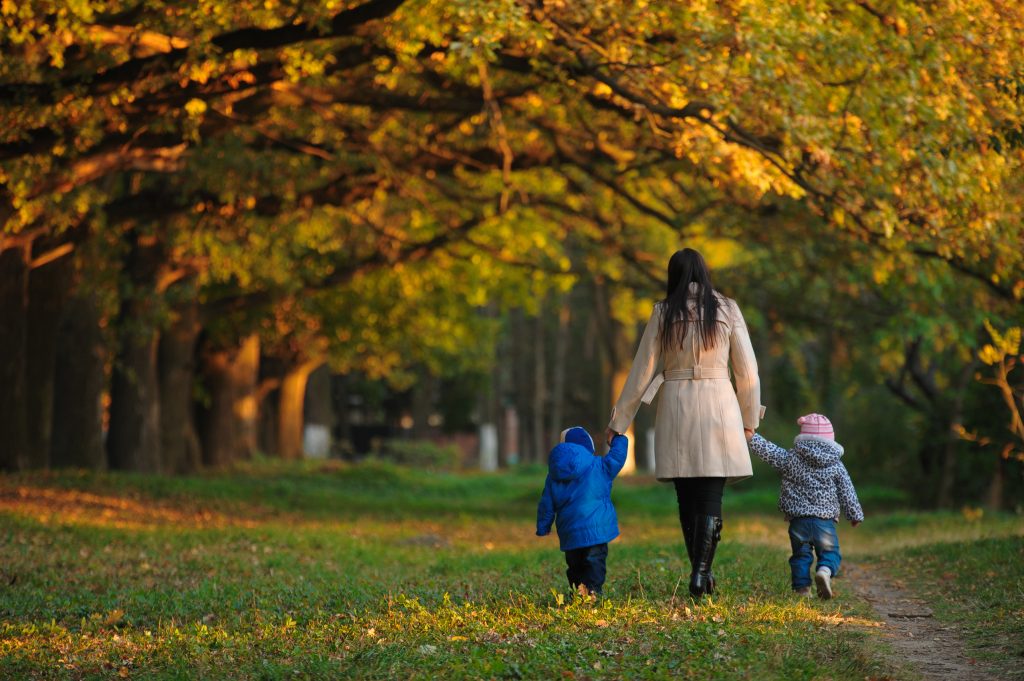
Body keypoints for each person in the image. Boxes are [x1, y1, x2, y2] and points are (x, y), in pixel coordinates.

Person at [605, 248, 763, 597]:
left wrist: (619, 420)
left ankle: (699, 572)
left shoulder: (664, 311)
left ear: (673, 274)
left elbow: (642, 370)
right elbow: (747, 371)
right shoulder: (727, 308)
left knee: (686, 495)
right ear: (705, 272)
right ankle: (700, 574)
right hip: (719, 404)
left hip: (676, 403)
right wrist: (750, 418)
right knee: (710, 495)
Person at [746, 413, 864, 599]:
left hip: (798, 521)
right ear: (830, 440)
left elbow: (770, 452)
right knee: (830, 553)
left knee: (800, 555)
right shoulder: (836, 465)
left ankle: (802, 589)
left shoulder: (791, 458)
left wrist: (752, 437)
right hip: (824, 522)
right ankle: (824, 571)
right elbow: (847, 491)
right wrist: (855, 514)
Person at [536, 427, 629, 598]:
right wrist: (618, 439)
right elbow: (617, 457)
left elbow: (546, 502)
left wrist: (543, 525)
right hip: (596, 529)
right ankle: (592, 591)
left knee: (574, 564)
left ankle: (577, 592)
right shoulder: (598, 466)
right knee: (594, 561)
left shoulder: (554, 474)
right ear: (589, 446)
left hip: (569, 531)